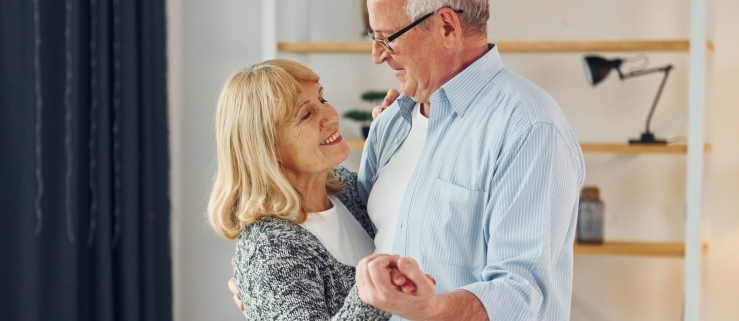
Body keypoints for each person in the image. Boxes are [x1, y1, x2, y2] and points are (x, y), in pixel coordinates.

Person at [351, 0, 586, 320]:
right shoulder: (391, 122)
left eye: (387, 38)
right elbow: (362, 235)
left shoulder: (529, 127)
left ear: (447, 27)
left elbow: (520, 293)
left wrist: (430, 310)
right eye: (374, 38)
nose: (378, 55)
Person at [209, 59, 420, 320]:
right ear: (267, 147)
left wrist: (400, 135)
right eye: (306, 114)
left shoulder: (346, 189)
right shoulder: (271, 250)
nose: (331, 115)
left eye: (322, 99)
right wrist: (373, 295)